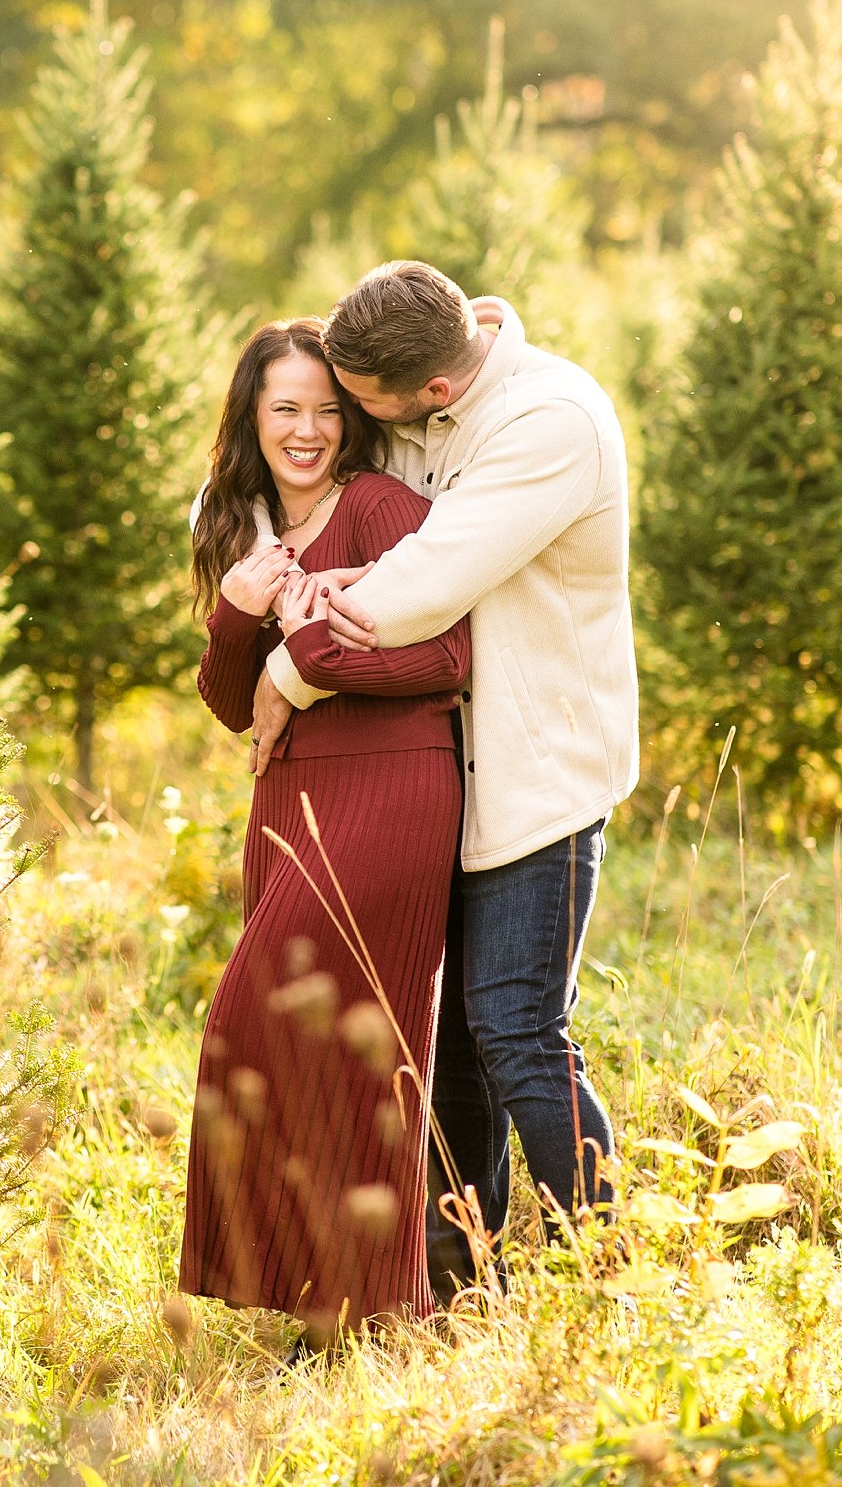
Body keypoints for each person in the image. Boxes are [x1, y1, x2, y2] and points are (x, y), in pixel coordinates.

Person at [250, 261, 638, 1298]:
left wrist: (289, 664)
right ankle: (462, 1284)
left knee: (516, 1031)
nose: (347, 421)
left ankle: (608, 1274)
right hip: (450, 777)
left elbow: (424, 584)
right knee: (451, 1045)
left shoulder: (547, 419)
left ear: (430, 391)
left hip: (538, 773)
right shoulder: (432, 394)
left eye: (361, 405)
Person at [177, 318, 472, 1347]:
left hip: (389, 792)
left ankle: (376, 1295)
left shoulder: (388, 510)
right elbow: (227, 701)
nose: (305, 430)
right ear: (250, 419)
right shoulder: (236, 527)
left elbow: (445, 664)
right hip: (286, 802)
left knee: (312, 1032)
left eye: (325, 410)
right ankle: (322, 1297)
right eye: (284, 409)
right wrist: (235, 612)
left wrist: (300, 651)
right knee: (283, 1040)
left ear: (351, 419)